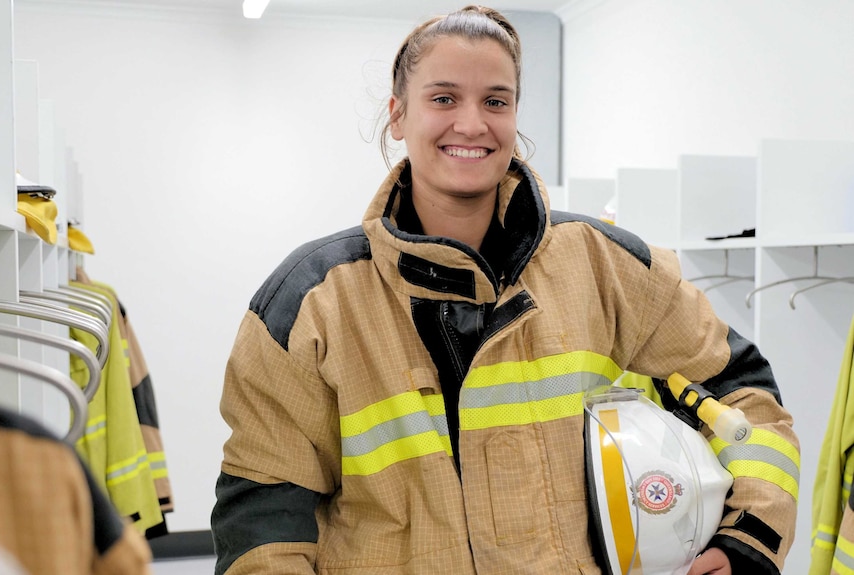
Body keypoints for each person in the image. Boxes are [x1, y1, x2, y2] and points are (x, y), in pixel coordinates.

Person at [211, 5, 799, 574]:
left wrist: (751, 534)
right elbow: (264, 511)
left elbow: (742, 393)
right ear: (397, 114)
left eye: (496, 101)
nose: (472, 123)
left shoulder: (602, 264)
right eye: (444, 98)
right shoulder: (312, 302)